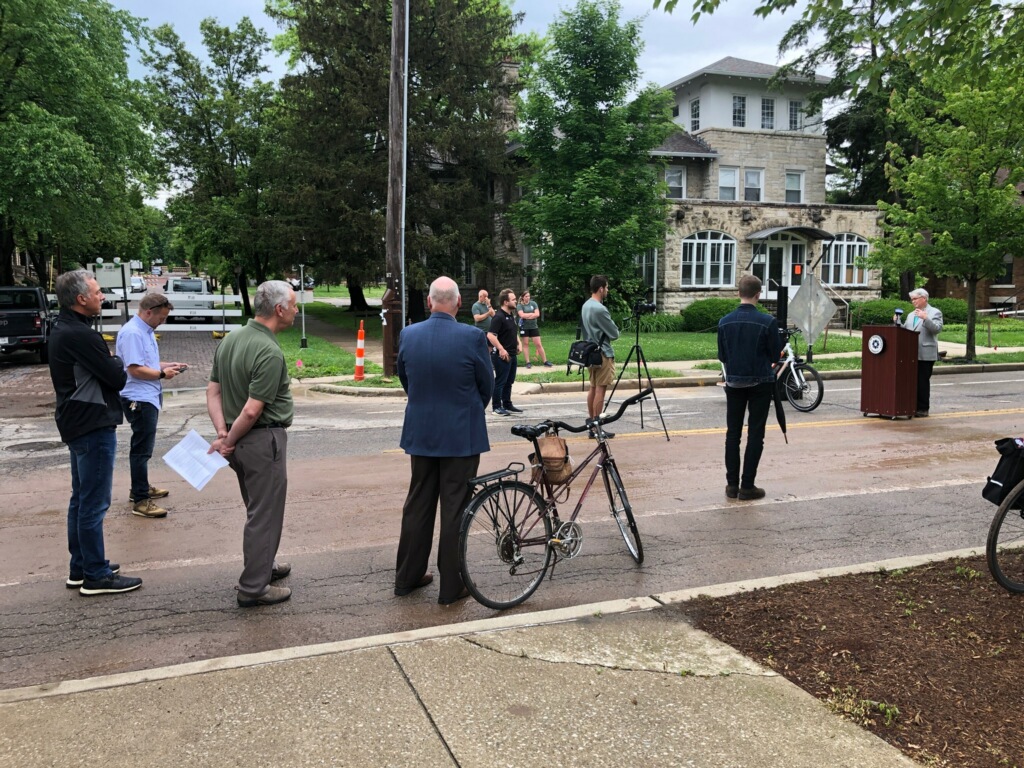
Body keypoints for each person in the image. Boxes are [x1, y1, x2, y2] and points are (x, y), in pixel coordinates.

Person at [395, 276, 492, 605]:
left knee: (417, 505)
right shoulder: (472, 337)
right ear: (459, 303)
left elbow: (405, 379)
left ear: (429, 302)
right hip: (460, 436)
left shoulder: (408, 335)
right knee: (455, 509)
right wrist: (467, 408)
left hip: (421, 433)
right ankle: (452, 586)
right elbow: (486, 385)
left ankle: (407, 576)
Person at [49, 270, 143, 595]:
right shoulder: (80, 335)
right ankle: (96, 575)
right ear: (81, 299)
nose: (102, 296)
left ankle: (82, 566)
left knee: (81, 499)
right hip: (92, 424)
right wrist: (115, 360)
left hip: (76, 421)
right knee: (93, 502)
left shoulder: (63, 327)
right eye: (98, 291)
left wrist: (110, 361)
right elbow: (117, 377)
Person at [207, 280, 298, 608]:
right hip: (261, 440)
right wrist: (228, 441)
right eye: (294, 304)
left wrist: (222, 433)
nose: (297, 310)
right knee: (265, 513)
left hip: (238, 440)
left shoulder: (231, 339)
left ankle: (264, 566)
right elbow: (252, 409)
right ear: (279, 309)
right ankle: (253, 587)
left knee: (258, 507)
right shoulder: (268, 350)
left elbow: (213, 391)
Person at [116, 293, 187, 518]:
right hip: (138, 397)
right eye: (162, 317)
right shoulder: (133, 333)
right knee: (141, 449)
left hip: (148, 395)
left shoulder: (144, 331)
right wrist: (161, 374)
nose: (162, 322)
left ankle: (141, 487)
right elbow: (134, 369)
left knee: (144, 447)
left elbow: (146, 363)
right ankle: (140, 499)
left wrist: (168, 365)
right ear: (148, 312)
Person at [717, 274, 783, 501]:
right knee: (755, 433)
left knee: (732, 434)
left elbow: (722, 355)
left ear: (738, 293)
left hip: (734, 382)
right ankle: (747, 485)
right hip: (760, 382)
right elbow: (776, 355)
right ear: (758, 294)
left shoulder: (724, 322)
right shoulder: (768, 322)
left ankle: (731, 485)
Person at [581, 275, 620, 437]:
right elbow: (614, 333)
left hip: (590, 352)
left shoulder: (586, 305)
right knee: (600, 390)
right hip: (603, 353)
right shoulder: (599, 309)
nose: (608, 291)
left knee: (593, 387)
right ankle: (597, 427)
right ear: (601, 288)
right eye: (607, 287)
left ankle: (592, 425)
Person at [894, 287, 943, 418]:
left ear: (924, 298)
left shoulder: (934, 312)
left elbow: (937, 329)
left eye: (915, 299)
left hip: (925, 353)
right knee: (911, 381)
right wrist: (897, 322)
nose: (913, 302)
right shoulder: (911, 315)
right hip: (910, 354)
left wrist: (926, 319)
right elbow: (906, 330)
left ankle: (922, 408)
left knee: (922, 381)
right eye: (912, 300)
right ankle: (911, 405)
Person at [487, 288, 523, 416]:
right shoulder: (499, 317)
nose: (516, 302)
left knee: (509, 381)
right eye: (513, 300)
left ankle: (507, 403)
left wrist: (518, 342)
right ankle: (496, 407)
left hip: (512, 354)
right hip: (502, 355)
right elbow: (491, 335)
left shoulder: (510, 316)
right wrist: (501, 349)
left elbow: (513, 331)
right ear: (506, 302)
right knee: (501, 381)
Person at [517, 290, 553, 368]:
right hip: (524, 327)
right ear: (523, 297)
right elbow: (522, 315)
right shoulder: (520, 305)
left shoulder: (533, 303)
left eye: (529, 296)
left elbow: (537, 314)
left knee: (538, 344)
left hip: (533, 326)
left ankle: (545, 361)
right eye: (526, 296)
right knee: (526, 344)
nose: (528, 298)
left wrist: (528, 315)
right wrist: (531, 314)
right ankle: (528, 362)